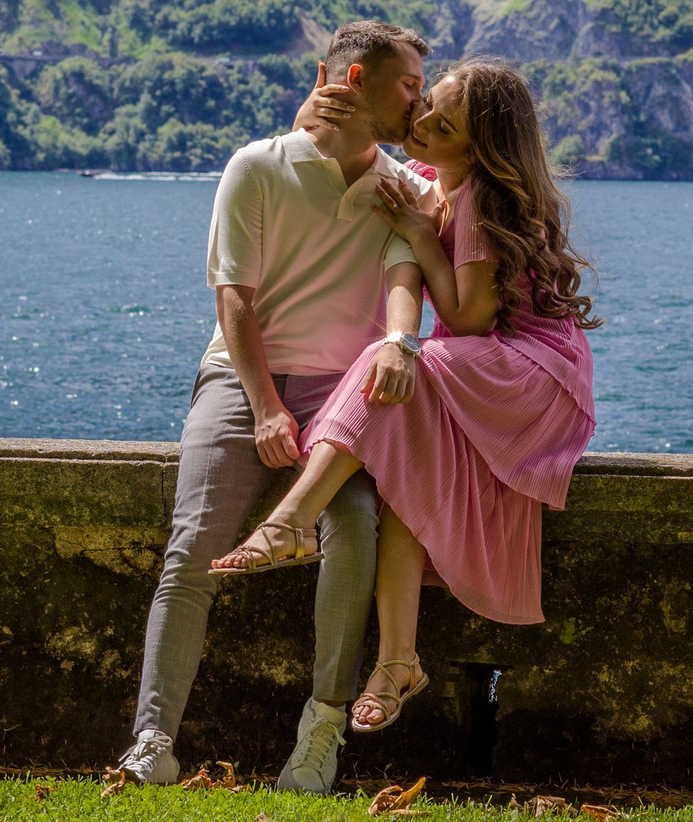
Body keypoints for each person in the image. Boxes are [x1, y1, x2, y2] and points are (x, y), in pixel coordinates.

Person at [208, 63, 598, 732]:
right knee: (405, 484)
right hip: (496, 368)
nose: (418, 125)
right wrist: (321, 102)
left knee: (386, 358)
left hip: (532, 376)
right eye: (425, 107)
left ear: (475, 151)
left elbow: (470, 318)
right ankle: (397, 663)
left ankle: (293, 519)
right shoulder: (433, 181)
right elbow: (341, 142)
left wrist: (420, 237)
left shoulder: (472, 199)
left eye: (440, 127)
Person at [116, 20, 431, 796]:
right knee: (194, 540)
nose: (418, 105)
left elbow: (404, 280)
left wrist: (399, 341)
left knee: (354, 530)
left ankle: (319, 738)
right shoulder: (256, 166)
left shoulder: (405, 189)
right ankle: (152, 741)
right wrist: (262, 408)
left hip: (343, 395)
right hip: (240, 378)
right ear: (354, 81)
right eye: (409, 87)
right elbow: (235, 298)